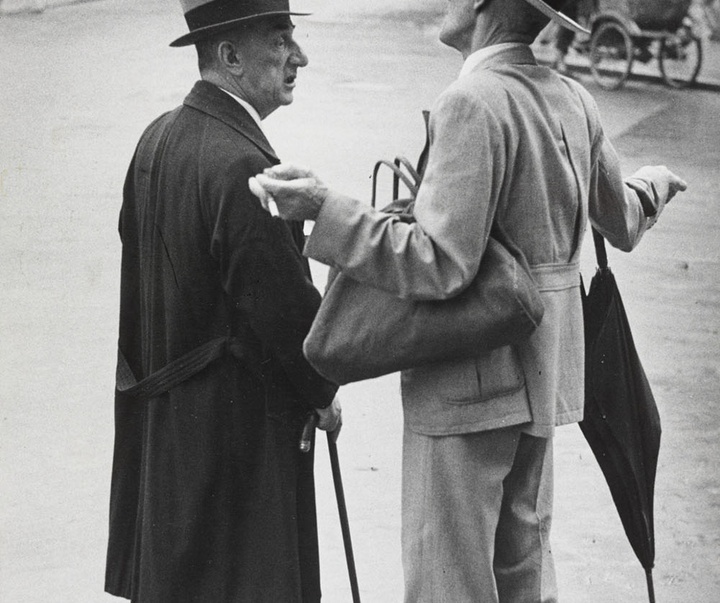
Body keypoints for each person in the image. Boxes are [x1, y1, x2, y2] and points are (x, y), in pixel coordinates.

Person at [252, 0, 687, 601]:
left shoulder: (472, 102)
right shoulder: (573, 99)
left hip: (469, 386)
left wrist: (325, 209)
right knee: (524, 571)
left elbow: (440, 263)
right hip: (548, 380)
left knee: (446, 582)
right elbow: (623, 219)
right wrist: (653, 185)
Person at [105, 2, 341, 601]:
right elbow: (290, 322)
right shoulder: (244, 163)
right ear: (231, 57)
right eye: (280, 40)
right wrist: (325, 395)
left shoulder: (156, 138)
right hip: (235, 449)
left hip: (167, 440)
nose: (299, 56)